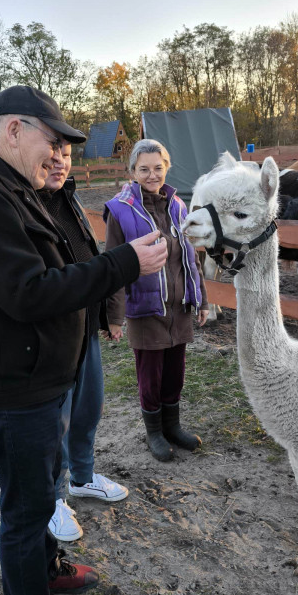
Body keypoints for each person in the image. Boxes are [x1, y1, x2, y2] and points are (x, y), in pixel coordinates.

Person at [0, 86, 167, 595]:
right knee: (28, 505)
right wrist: (124, 263)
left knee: (44, 485)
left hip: (39, 378)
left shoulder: (15, 189)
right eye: (53, 139)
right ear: (14, 130)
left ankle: (48, 569)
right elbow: (28, 293)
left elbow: (58, 266)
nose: (60, 153)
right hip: (11, 388)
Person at [38, 143, 128, 544]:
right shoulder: (25, 207)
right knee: (55, 421)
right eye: (52, 154)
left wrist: (109, 313)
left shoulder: (69, 200)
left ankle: (83, 477)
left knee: (89, 408)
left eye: (67, 155)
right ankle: (52, 498)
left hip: (86, 327)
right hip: (55, 337)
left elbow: (92, 256)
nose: (60, 163)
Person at [104, 139, 209, 462]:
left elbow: (190, 257)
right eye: (144, 169)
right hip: (145, 309)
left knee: (175, 372)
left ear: (167, 168)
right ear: (133, 171)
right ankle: (154, 432)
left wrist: (201, 299)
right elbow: (113, 266)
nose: (152, 175)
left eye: (158, 168)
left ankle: (172, 426)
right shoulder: (120, 211)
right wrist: (114, 316)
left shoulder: (178, 206)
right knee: (151, 376)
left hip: (178, 307)